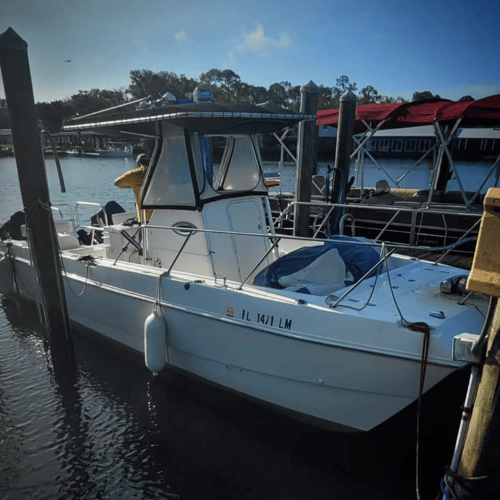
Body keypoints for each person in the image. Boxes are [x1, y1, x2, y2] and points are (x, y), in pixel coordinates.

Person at [114, 153, 153, 223]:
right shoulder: (156, 172)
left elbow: (116, 183)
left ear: (138, 164)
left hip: (143, 218)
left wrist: (132, 185)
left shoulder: (133, 174)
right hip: (159, 216)